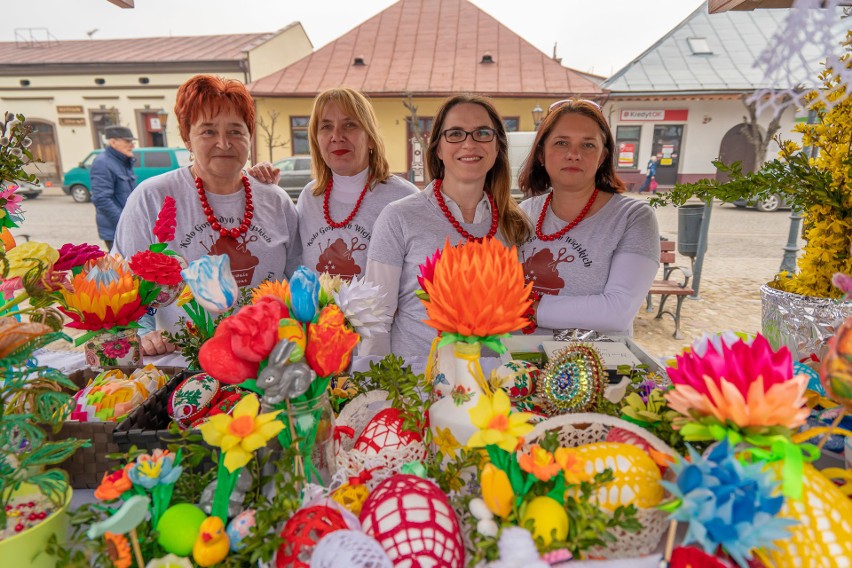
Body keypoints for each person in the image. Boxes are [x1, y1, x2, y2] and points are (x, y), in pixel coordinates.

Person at [114, 74, 301, 356]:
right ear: (187, 138)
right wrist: (142, 333)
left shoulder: (276, 200)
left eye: (236, 132)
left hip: (267, 358)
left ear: (250, 137)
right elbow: (122, 284)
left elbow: (298, 279)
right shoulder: (151, 197)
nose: (224, 144)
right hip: (182, 360)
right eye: (208, 131)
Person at [362, 94, 531, 357]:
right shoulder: (399, 217)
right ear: (438, 148)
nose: (469, 143)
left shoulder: (515, 222)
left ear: (498, 146)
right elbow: (376, 318)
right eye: (455, 134)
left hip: (492, 386)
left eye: (482, 133)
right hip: (417, 388)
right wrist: (376, 393)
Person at [517, 99, 659, 337]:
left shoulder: (633, 217)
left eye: (588, 145)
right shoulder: (523, 213)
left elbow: (617, 311)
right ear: (541, 154)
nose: (574, 154)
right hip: (519, 365)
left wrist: (527, 308)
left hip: (596, 368)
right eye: (561, 143)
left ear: (603, 156)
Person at [250, 88, 417, 281]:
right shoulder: (309, 197)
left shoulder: (403, 197)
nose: (337, 136)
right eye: (326, 126)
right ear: (317, 140)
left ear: (370, 138)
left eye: (349, 125)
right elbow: (289, 258)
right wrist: (263, 189)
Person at [90, 125, 137, 250]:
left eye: (132, 141)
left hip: (127, 229)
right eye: (127, 141)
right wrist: (124, 223)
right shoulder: (102, 163)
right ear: (113, 142)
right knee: (124, 268)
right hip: (116, 231)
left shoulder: (122, 161)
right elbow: (101, 199)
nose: (132, 145)